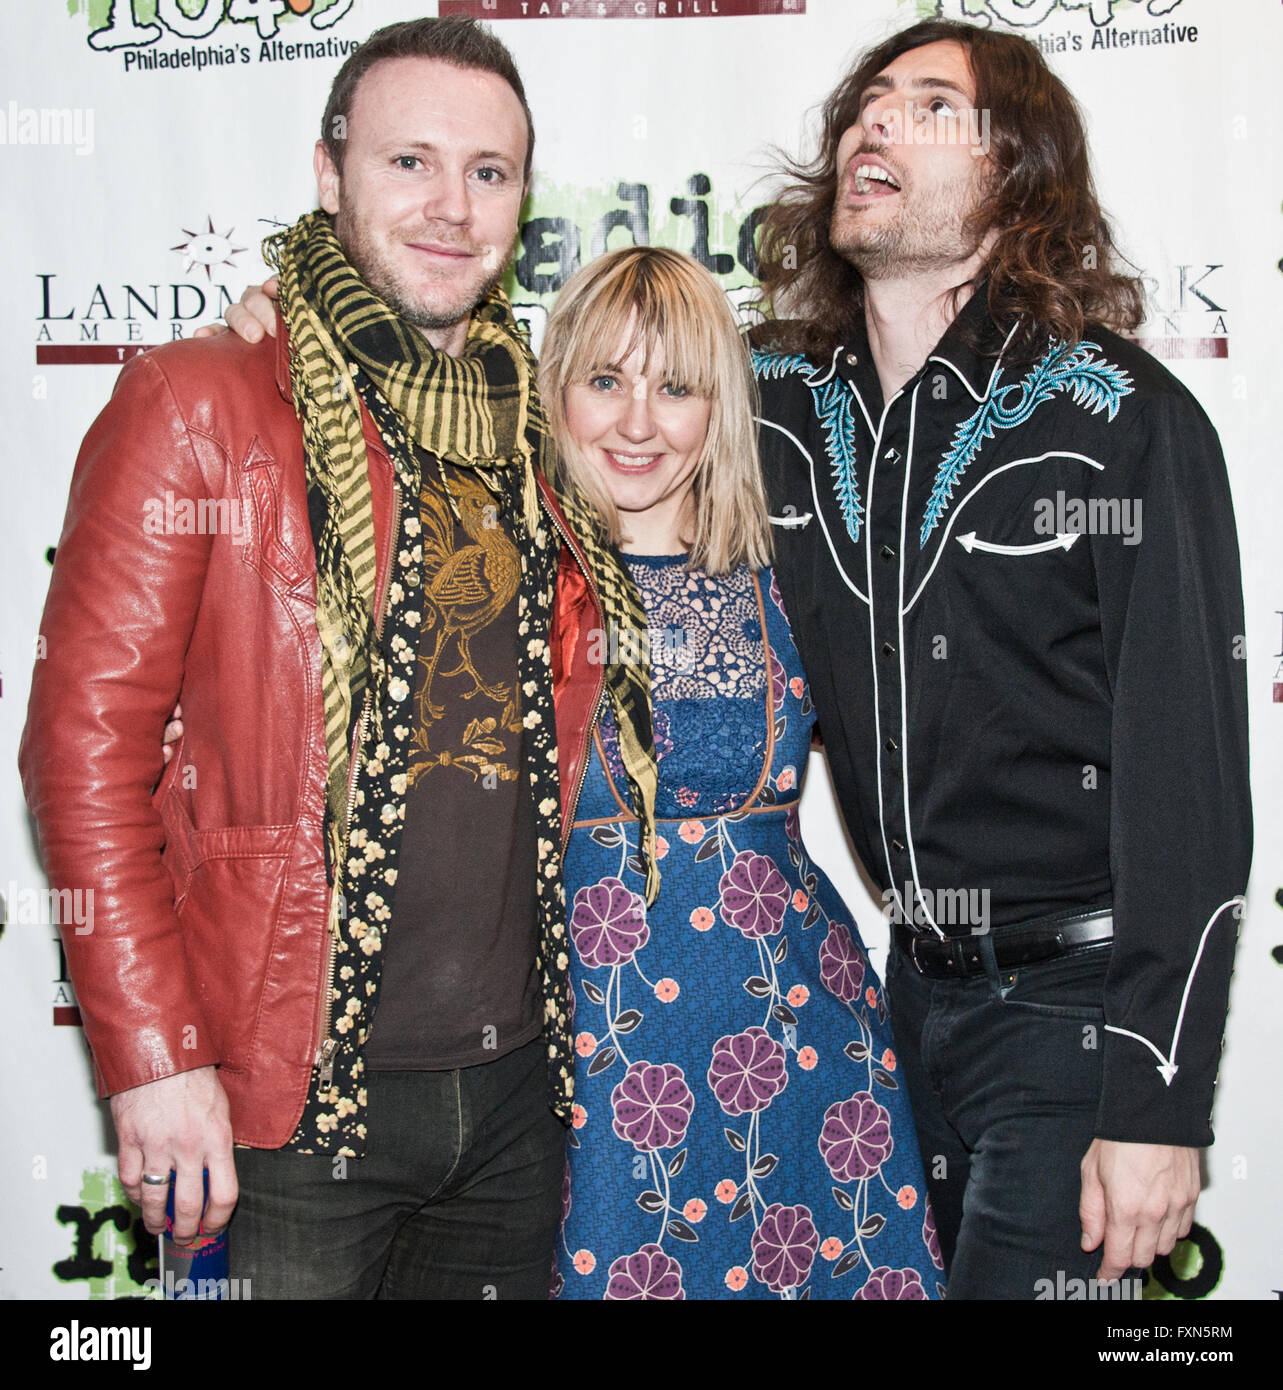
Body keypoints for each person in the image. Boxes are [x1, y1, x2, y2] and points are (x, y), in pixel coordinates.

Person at [20, 16, 660, 1300]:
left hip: (519, 1093)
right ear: (328, 175)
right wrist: (153, 1058)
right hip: (287, 1104)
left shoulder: (532, 422)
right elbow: (83, 753)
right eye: (407, 161)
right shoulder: (199, 401)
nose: (449, 205)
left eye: (487, 172)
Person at [210, 245, 945, 1301]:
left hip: (796, 1046)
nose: (638, 422)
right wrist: (285, 330)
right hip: (578, 1061)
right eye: (604, 380)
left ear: (719, 406)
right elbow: (348, 449)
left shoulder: (800, 566)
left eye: (676, 386)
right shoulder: (495, 567)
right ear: (553, 391)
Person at [750, 19, 1252, 1299]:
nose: (874, 120)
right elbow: (589, 392)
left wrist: (1157, 1101)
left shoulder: (1122, 426)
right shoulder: (775, 406)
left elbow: (1187, 789)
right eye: (866, 101)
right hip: (895, 1015)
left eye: (928, 105)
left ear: (1012, 172)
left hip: (1075, 1024)